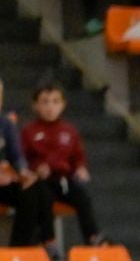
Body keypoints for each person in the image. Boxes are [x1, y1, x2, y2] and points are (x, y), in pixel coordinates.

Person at [21, 83, 103, 247]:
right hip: (41, 181)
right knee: (44, 198)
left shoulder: (69, 131)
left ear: (63, 105)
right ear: (35, 106)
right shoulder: (29, 131)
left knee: (82, 197)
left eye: (55, 101)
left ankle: (93, 237)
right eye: (45, 102)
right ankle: (48, 239)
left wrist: (81, 168)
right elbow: (23, 158)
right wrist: (35, 168)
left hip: (63, 179)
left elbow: (78, 156)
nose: (50, 107)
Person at [0, 80, 53, 250]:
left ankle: (19, 250)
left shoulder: (5, 124)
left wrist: (22, 173)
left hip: (4, 180)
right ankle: (46, 240)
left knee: (33, 188)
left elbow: (16, 156)